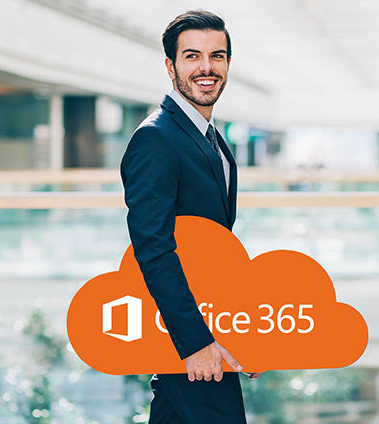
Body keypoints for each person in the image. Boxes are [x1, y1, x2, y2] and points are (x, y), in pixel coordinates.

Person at [120, 10, 257, 423]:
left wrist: (242, 334)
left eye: (218, 56)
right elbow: (153, 246)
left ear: (228, 64)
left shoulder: (208, 136)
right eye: (192, 56)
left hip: (210, 327)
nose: (206, 67)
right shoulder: (156, 138)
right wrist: (195, 342)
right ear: (171, 66)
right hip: (190, 336)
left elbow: (213, 252)